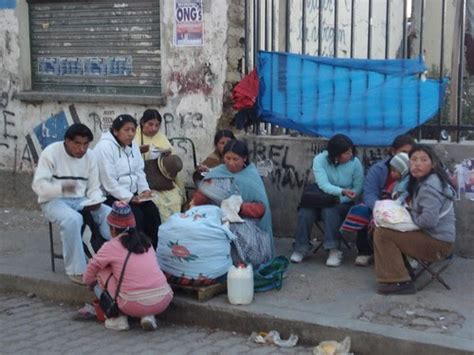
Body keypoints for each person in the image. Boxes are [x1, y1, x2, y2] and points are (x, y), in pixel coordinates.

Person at [32, 123, 111, 284]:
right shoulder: (51, 153)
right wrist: (64, 188)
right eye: (77, 143)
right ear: (67, 141)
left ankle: (111, 260)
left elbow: (94, 188)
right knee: (73, 219)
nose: (82, 148)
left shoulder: (90, 156)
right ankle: (76, 270)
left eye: (85, 144)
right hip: (53, 201)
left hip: (81, 200)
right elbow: (39, 187)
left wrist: (95, 200)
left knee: (110, 214)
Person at [374, 145, 456, 295]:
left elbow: (428, 221)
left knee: (382, 233)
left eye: (423, 160)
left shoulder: (430, 186)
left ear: (433, 164)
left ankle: (399, 281)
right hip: (432, 236)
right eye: (413, 160)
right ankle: (402, 272)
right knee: (384, 227)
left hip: (438, 244)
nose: (417, 164)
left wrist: (408, 215)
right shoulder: (422, 181)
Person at [83, 201, 173, 331]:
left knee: (101, 272)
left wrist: (88, 282)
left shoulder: (112, 246)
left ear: (112, 228)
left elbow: (94, 265)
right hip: (163, 299)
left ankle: (118, 318)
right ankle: (148, 315)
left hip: (132, 303)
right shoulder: (146, 242)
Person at [290, 134, 364, 267]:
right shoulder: (320, 160)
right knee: (305, 211)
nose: (350, 155)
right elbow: (323, 184)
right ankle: (301, 248)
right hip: (320, 199)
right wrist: (339, 192)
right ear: (336, 155)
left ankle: (333, 249)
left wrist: (340, 197)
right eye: (346, 153)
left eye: (351, 151)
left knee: (330, 211)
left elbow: (357, 188)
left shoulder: (355, 163)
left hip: (343, 202)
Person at [197, 139, 274, 266]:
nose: (231, 163)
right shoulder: (217, 173)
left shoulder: (251, 176)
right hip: (216, 218)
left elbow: (261, 208)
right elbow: (202, 197)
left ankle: (240, 266)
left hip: (246, 221)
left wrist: (238, 208)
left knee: (235, 232)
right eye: (227, 158)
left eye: (235, 159)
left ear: (244, 158)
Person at [94, 114, 161, 249]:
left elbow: (139, 171)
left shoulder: (133, 146)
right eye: (126, 130)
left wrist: (144, 191)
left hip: (133, 195)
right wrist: (130, 198)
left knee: (153, 213)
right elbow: (109, 182)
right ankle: (134, 255)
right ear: (115, 131)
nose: (131, 134)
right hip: (111, 196)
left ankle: (151, 253)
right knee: (136, 217)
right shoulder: (104, 148)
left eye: (133, 130)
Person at [351, 134, 415, 266]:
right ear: (393, 151)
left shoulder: (415, 170)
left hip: (405, 207)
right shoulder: (378, 169)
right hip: (380, 206)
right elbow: (369, 193)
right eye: (403, 152)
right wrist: (381, 209)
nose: (407, 156)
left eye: (410, 153)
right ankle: (365, 251)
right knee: (363, 210)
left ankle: (407, 256)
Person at [135, 109, 185, 222]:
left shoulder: (160, 137)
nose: (154, 129)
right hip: (144, 178)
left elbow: (172, 155)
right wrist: (139, 151)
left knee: (175, 196)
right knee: (156, 201)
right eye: (150, 124)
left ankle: (174, 225)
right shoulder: (135, 136)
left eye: (157, 125)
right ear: (143, 122)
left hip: (162, 178)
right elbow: (129, 156)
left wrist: (166, 155)